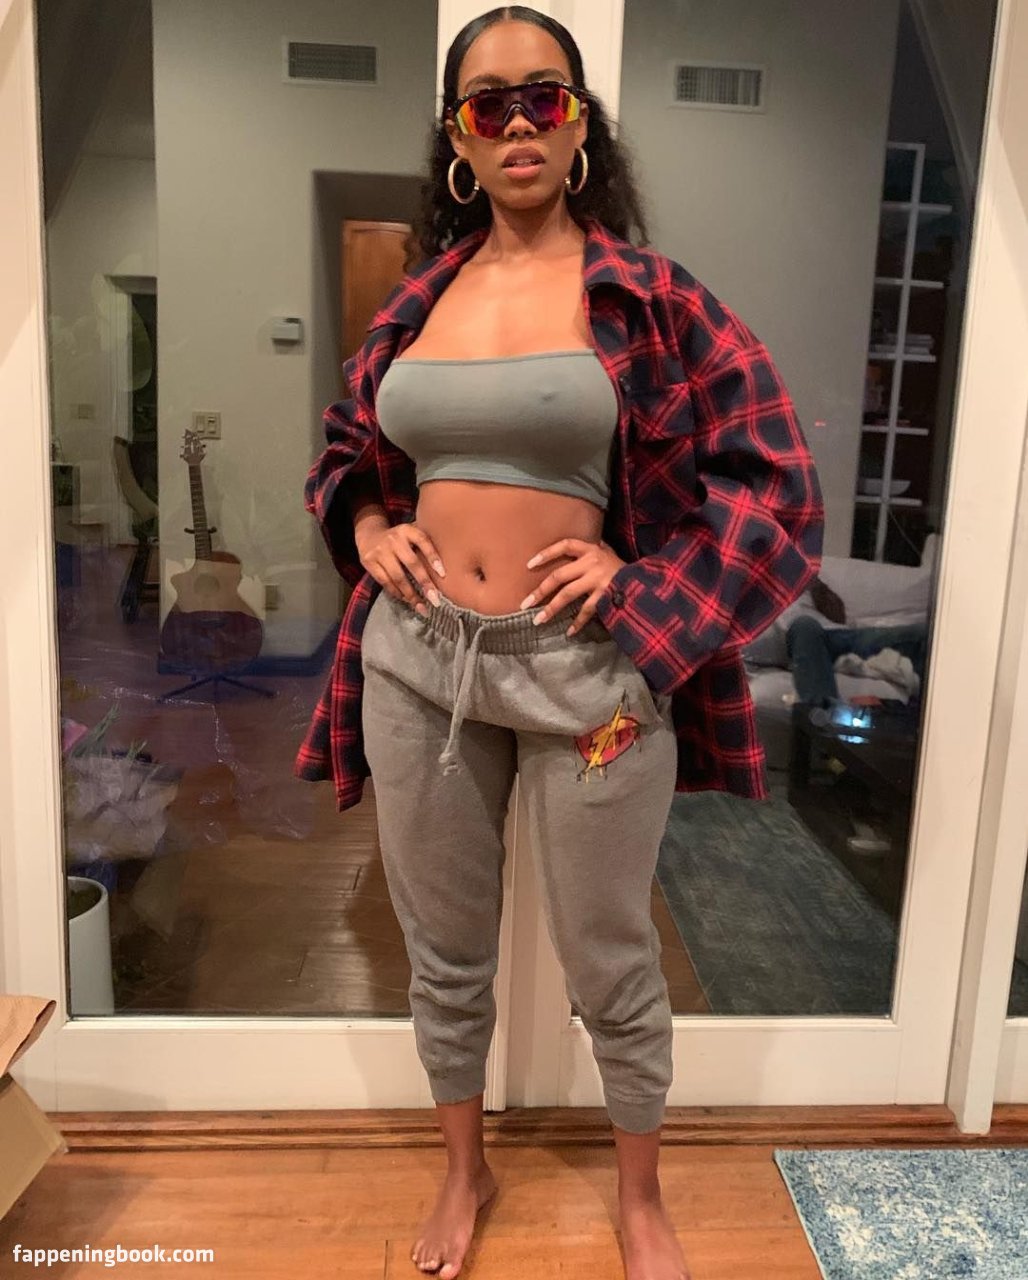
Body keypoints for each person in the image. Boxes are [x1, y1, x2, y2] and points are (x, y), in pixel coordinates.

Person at [295, 8, 823, 1278]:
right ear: (456, 136)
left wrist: (647, 585)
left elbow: (776, 487)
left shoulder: (650, 298)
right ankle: (462, 1169)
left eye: (545, 96)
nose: (519, 123)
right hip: (417, 663)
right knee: (443, 948)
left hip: (587, 674)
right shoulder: (417, 298)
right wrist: (365, 520)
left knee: (608, 950)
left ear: (581, 122)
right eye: (489, 104)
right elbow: (346, 441)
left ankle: (640, 1198)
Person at [786, 576, 928, 719]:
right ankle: (823, 719)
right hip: (799, 635)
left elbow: (839, 617)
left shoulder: (797, 574)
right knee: (805, 624)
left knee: (924, 634)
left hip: (837, 635)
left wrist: (813, 583)